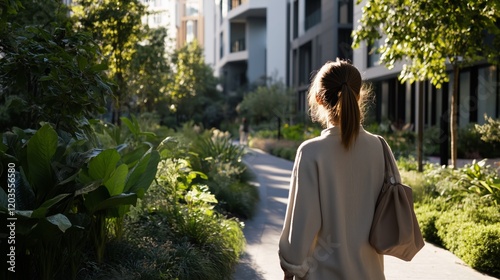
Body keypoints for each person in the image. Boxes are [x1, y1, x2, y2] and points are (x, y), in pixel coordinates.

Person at [278, 58, 389, 279]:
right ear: (358, 96)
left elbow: (303, 221)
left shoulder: (311, 152)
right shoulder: (379, 147)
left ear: (318, 99)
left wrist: (292, 268)